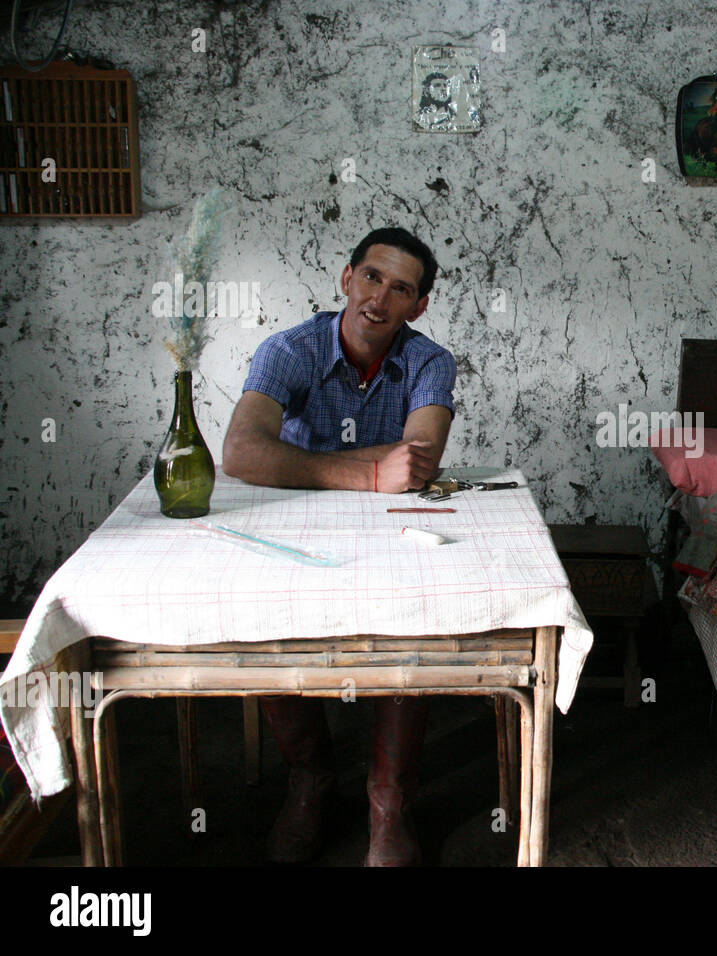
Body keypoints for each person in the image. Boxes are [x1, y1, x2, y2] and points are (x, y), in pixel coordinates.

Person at [222, 226, 455, 866]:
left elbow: (421, 464)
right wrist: (368, 472)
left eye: (401, 288)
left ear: (419, 305)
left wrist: (302, 461)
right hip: (293, 530)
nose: (380, 298)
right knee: (258, 610)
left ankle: (388, 800)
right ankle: (311, 779)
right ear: (346, 278)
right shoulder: (288, 350)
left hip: (389, 533)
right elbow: (241, 453)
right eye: (372, 277)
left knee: (421, 610)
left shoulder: (431, 361)